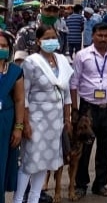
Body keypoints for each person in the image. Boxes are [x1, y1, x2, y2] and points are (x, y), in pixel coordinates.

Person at [13, 26, 73, 203]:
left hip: (55, 123)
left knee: (44, 163)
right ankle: (18, 200)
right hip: (36, 120)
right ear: (38, 41)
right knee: (29, 163)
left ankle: (34, 199)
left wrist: (67, 118)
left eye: (54, 37)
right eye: (47, 38)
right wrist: (25, 123)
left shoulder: (62, 61)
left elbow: (67, 93)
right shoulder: (31, 62)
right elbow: (23, 95)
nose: (51, 41)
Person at [70, 22, 107, 197]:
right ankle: (81, 185)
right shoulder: (82, 55)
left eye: (106, 36)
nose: (103, 39)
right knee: (83, 149)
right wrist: (74, 109)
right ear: (93, 36)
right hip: (88, 109)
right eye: (99, 35)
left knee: (105, 148)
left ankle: (100, 184)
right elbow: (74, 83)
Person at [0, 31, 24, 203]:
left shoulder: (15, 71)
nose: (0, 49)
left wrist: (18, 127)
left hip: (5, 123)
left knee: (1, 165)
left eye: (3, 46)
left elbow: (19, 99)